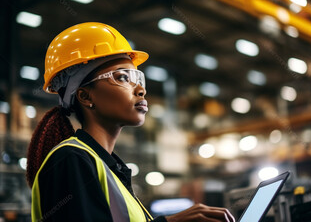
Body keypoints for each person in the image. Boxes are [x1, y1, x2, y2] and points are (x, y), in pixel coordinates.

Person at [26, 22, 235, 222]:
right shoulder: (71, 160)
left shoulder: (109, 169)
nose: (141, 89)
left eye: (137, 78)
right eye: (123, 77)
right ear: (85, 96)